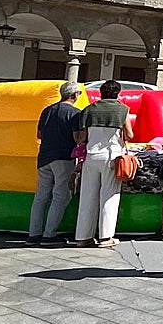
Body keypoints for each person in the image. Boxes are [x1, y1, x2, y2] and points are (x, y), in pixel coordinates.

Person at [73, 80, 133, 248]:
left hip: (91, 157)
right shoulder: (123, 109)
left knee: (87, 197)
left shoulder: (89, 110)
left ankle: (83, 237)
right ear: (117, 93)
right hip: (111, 156)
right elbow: (129, 134)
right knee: (109, 196)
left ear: (101, 92)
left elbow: (81, 138)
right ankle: (106, 237)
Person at [27, 82, 80, 246]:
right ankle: (49, 235)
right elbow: (77, 138)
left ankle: (33, 234)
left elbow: (39, 134)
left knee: (41, 196)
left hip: (44, 157)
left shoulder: (47, 110)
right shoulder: (75, 113)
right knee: (60, 195)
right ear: (75, 95)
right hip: (63, 157)